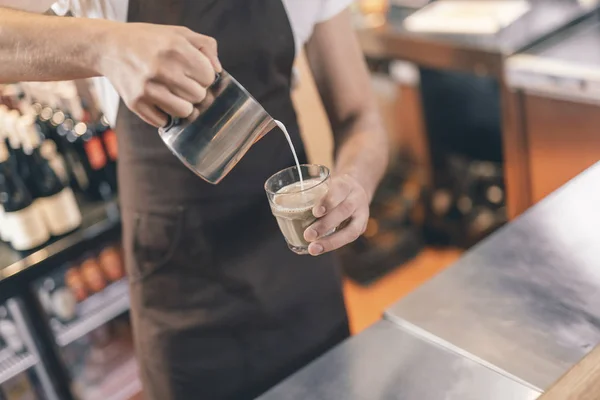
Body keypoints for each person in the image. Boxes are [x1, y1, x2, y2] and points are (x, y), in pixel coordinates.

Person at [0, 0, 388, 398]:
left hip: (298, 271)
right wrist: (104, 46)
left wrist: (355, 181)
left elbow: (360, 118)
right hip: (181, 289)